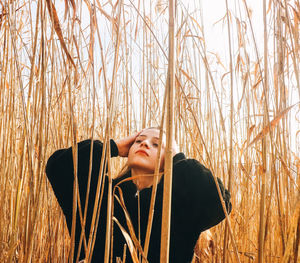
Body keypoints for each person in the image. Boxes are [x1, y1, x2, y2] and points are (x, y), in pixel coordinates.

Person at [46, 127, 231, 262]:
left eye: (157, 144)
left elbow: (220, 200)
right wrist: (114, 147)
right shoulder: (102, 198)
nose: (144, 143)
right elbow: (59, 166)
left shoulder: (179, 206)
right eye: (138, 140)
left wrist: (177, 158)